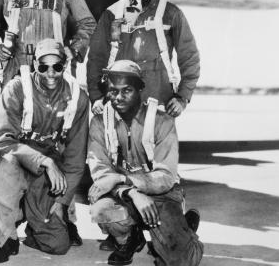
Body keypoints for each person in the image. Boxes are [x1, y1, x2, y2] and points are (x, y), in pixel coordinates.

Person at [0, 0, 96, 245]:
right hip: (16, 75)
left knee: (56, 147)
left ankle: (61, 215)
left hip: (53, 76)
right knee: (7, 147)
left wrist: (73, 50)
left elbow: (87, 22)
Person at [87, 60, 203, 266]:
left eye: (127, 90)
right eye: (113, 91)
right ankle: (130, 238)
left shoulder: (162, 121)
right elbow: (101, 172)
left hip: (161, 194)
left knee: (180, 261)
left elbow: (166, 176)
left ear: (140, 89)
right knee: (101, 210)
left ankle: (186, 231)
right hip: (122, 193)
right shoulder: (99, 122)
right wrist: (131, 192)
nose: (118, 98)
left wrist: (122, 178)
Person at [0, 39, 89, 263]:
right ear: (35, 66)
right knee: (4, 171)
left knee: (58, 245)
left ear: (64, 65)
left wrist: (61, 203)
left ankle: (31, 220)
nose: (50, 73)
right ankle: (6, 237)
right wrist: (45, 162)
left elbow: (75, 158)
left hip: (46, 173)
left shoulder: (78, 98)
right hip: (17, 159)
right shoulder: (16, 88)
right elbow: (1, 141)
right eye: (44, 67)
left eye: (57, 66)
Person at [87, 0, 200, 118]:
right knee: (115, 145)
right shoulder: (111, 15)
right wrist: (96, 96)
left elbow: (190, 57)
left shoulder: (171, 14)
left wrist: (183, 97)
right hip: (118, 106)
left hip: (159, 105)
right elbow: (96, 58)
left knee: (160, 144)